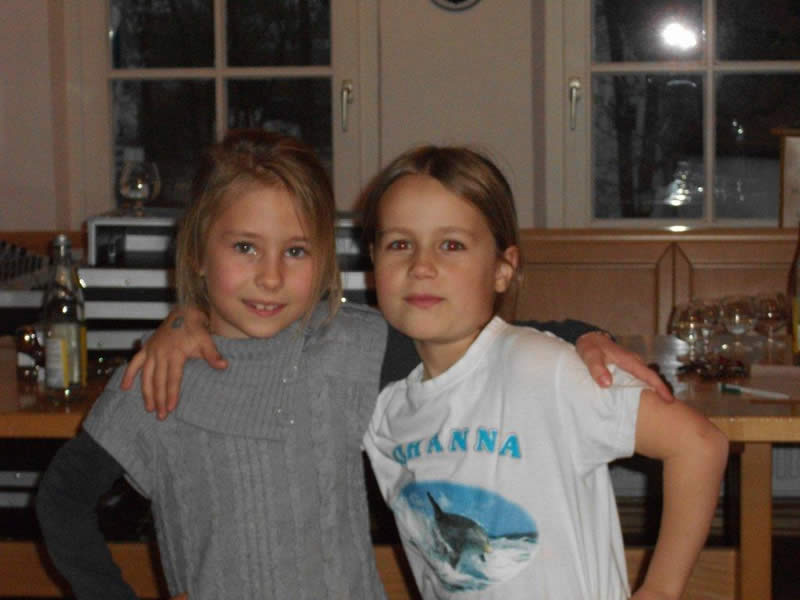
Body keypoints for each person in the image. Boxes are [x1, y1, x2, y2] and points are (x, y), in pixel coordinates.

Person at [35, 130, 658, 600]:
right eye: (246, 246)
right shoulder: (157, 379)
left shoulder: (349, 346)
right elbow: (61, 501)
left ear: (327, 260)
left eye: (296, 251)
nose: (270, 276)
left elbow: (479, 339)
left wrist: (584, 336)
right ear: (197, 251)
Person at [359, 145, 729, 599]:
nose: (421, 266)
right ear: (373, 263)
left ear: (503, 269)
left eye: (451, 245)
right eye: (399, 244)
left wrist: (661, 589)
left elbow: (699, 444)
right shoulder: (383, 411)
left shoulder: (542, 367)